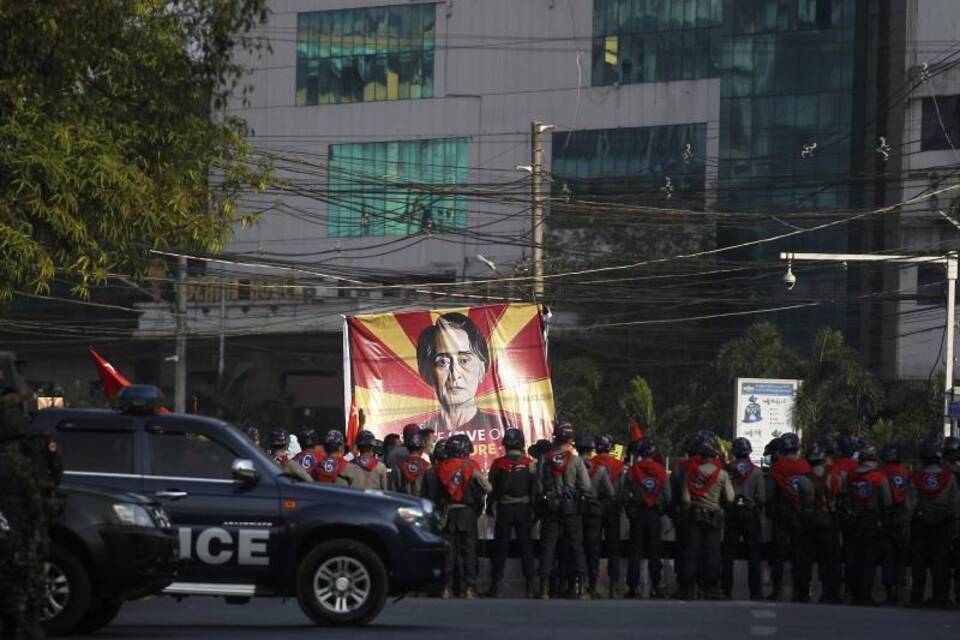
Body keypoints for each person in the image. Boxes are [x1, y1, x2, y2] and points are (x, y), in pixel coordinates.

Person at [0, 385, 62, 638]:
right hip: (26, 526)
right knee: (27, 580)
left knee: (25, 580)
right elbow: (56, 475)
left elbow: (55, 475)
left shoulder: (33, 444)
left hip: (26, 526)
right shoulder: (36, 444)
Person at [416, 313, 504, 436]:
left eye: (464, 360)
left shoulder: (502, 427)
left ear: (482, 369)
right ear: (427, 373)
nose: (455, 374)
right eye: (442, 362)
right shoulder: (420, 434)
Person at [426, 433, 491, 599]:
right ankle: (469, 588)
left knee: (449, 552)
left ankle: (446, 588)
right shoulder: (470, 466)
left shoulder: (438, 468)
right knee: (468, 552)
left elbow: (432, 493)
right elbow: (488, 488)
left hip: (447, 515)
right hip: (467, 515)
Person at [533, 423, 591, 600]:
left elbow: (539, 485)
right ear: (571, 440)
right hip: (571, 509)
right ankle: (581, 588)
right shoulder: (576, 460)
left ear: (555, 438)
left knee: (548, 548)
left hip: (551, 509)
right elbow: (587, 486)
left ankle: (544, 589)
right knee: (576, 548)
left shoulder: (545, 458)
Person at [676, 433, 734, 600]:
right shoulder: (722, 474)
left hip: (694, 516)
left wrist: (687, 509)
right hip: (714, 517)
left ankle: (689, 587)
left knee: (692, 551)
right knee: (712, 553)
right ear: (714, 456)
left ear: (700, 456)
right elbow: (730, 498)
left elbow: (685, 499)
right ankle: (710, 588)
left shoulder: (691, 473)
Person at [909, 436, 959, 608]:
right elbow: (955, 504)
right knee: (941, 562)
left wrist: (906, 523)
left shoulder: (917, 477)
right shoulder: (949, 477)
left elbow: (911, 504)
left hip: (921, 523)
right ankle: (941, 597)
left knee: (919, 562)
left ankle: (916, 597)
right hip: (943, 523)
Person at [486, 427, 536, 598]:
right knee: (526, 547)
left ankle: (495, 585)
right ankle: (531, 586)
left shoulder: (498, 464)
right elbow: (535, 489)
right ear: (521, 444)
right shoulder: (530, 463)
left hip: (504, 508)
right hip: (524, 508)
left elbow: (491, 489)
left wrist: (489, 506)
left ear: (505, 445)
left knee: (500, 548)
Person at [766, 432, 815, 602]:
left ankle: (777, 588)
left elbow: (769, 495)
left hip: (781, 515)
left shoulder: (776, 468)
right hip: (801, 515)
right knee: (800, 553)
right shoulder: (806, 467)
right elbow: (810, 493)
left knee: (778, 553)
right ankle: (801, 589)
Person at [621, 437, 669, 599]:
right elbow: (667, 496)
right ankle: (657, 586)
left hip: (637, 514)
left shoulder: (632, 471)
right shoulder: (662, 471)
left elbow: (624, 495)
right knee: (655, 551)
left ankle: (632, 588)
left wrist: (630, 510)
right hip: (654, 514)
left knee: (635, 551)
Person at [845, 441, 892, 605]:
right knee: (869, 560)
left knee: (854, 559)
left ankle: (853, 592)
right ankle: (865, 595)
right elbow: (887, 501)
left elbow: (846, 496)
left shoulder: (851, 475)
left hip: (854, 520)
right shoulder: (879, 477)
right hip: (872, 521)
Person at [722, 437, 765, 601]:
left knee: (728, 555)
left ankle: (726, 590)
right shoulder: (756, 471)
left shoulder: (727, 470)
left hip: (732, 514)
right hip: (750, 515)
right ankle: (755, 592)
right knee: (754, 555)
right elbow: (761, 497)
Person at [576, 432, 615, 598]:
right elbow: (611, 492)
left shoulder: (572, 464)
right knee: (593, 549)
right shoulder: (599, 470)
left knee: (577, 547)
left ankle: (577, 584)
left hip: (576, 511)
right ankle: (592, 586)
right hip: (594, 512)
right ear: (591, 450)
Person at [804, 442, 844, 604]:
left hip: (809, 521)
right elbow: (840, 496)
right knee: (831, 559)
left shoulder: (803, 480)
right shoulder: (835, 477)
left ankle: (802, 592)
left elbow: (802, 503)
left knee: (805, 558)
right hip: (829, 520)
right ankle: (830, 593)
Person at [593, 434, 625, 597]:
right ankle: (614, 585)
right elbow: (620, 490)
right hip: (613, 508)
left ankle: (592, 583)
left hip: (595, 507)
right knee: (613, 548)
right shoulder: (619, 465)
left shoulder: (591, 463)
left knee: (593, 545)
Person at [880, 444, 910, 605]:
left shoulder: (882, 472)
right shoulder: (905, 472)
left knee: (888, 556)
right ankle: (900, 589)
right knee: (901, 556)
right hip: (902, 517)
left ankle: (889, 591)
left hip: (887, 517)